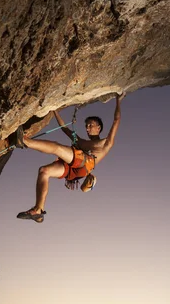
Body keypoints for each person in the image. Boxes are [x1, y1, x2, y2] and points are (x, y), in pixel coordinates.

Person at [16, 92, 126, 223]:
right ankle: (39, 211)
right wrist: (54, 110)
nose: (87, 128)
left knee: (58, 148)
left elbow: (116, 120)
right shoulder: (81, 142)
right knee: (44, 171)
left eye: (91, 125)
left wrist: (118, 100)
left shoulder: (105, 143)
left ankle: (25, 141)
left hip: (84, 164)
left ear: (99, 127)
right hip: (73, 170)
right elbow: (64, 128)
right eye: (86, 126)